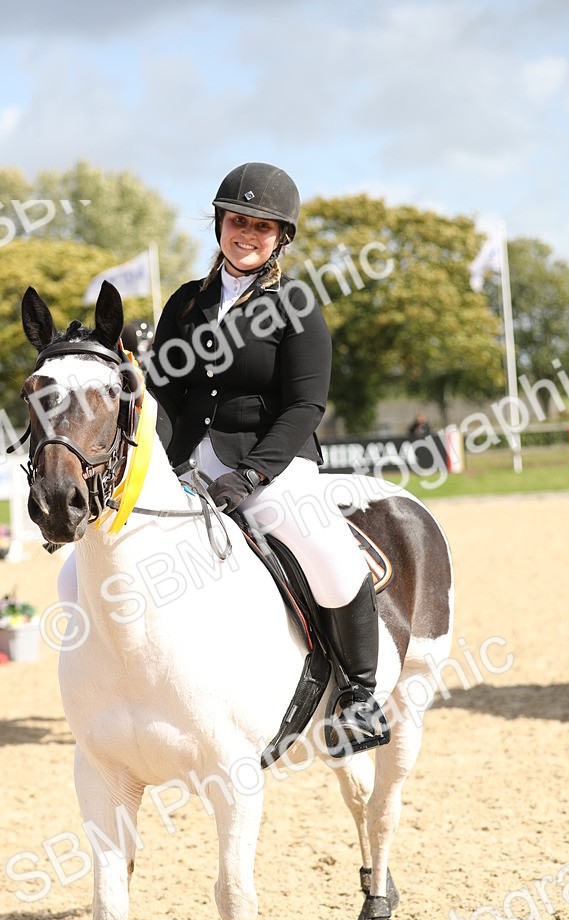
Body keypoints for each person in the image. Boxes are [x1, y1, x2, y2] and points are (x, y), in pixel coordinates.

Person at [145, 162, 389, 752]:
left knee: (328, 551)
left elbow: (306, 405)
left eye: (261, 226)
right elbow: (166, 395)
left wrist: (250, 473)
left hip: (273, 462)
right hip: (190, 462)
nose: (247, 234)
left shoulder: (295, 303)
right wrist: (155, 463)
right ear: (220, 225)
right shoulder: (186, 303)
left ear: (280, 237)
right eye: (238, 221)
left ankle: (358, 694)